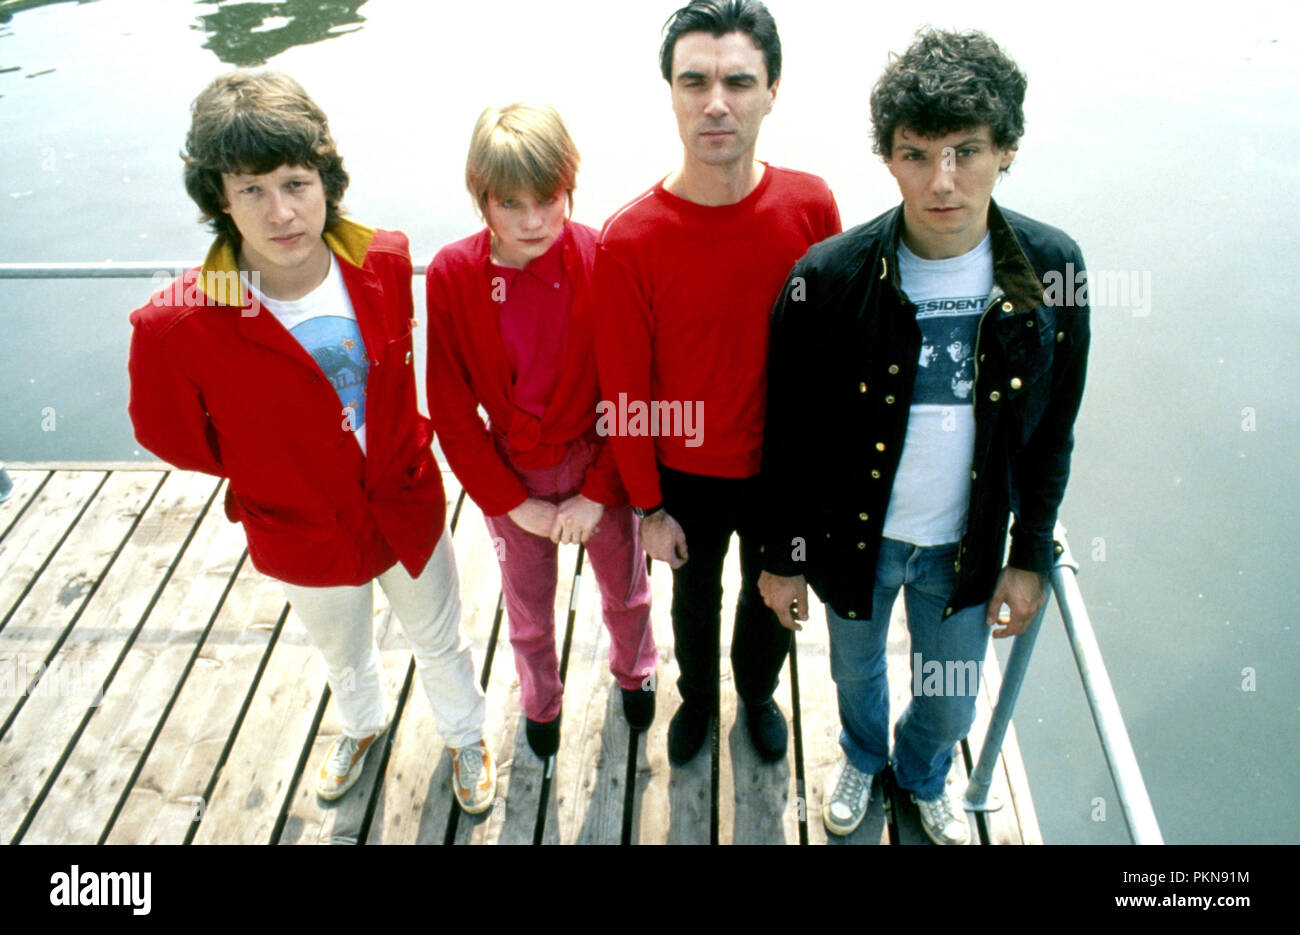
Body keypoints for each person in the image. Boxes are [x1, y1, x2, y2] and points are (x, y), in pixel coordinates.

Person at [127, 71, 495, 813]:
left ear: (326, 178)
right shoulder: (176, 324)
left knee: (442, 636)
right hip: (298, 530)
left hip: (406, 505)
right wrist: (272, 468)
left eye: (296, 182)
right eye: (252, 189)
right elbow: (167, 433)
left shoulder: (385, 259)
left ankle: (465, 734)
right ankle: (362, 725)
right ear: (218, 200)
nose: (282, 211)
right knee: (342, 651)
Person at [758, 28, 1090, 844]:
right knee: (855, 669)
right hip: (854, 538)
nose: (942, 181)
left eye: (966, 151)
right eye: (916, 154)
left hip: (966, 546)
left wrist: (1030, 553)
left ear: (1007, 149)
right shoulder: (826, 279)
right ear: (889, 157)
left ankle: (923, 769)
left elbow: (1054, 433)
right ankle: (864, 754)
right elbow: (788, 436)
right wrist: (780, 555)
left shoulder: (1054, 270)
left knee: (950, 696)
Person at [593, 0, 841, 767]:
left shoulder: (810, 206)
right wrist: (647, 505)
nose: (716, 103)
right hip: (684, 474)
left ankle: (756, 693)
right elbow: (625, 391)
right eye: (693, 81)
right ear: (669, 92)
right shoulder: (630, 238)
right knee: (692, 604)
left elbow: (832, 357)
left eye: (738, 81)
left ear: (773, 91)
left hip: (781, 469)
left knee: (771, 602)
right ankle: (699, 697)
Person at [424, 104, 657, 758]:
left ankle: (636, 671)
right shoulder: (450, 275)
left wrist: (601, 489)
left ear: (569, 190)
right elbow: (448, 408)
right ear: (481, 200)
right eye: (510, 202)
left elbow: (632, 391)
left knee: (627, 588)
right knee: (526, 608)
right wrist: (508, 501)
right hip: (511, 471)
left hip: (598, 461)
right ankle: (541, 699)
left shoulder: (604, 258)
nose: (533, 221)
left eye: (548, 199)